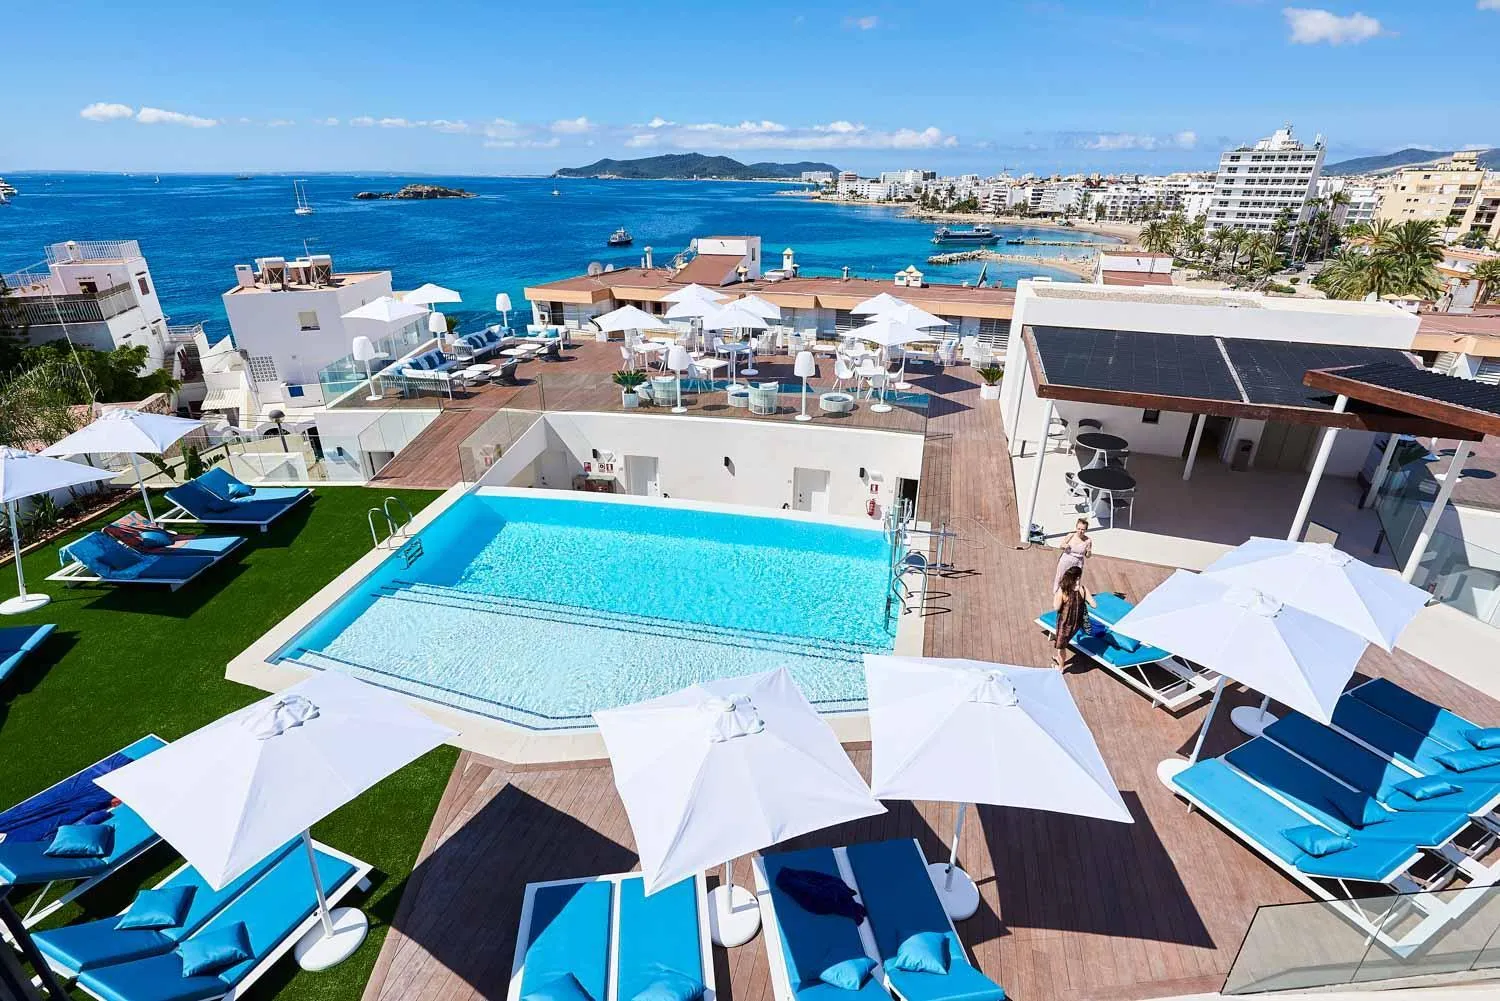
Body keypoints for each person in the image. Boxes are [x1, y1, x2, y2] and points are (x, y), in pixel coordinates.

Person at [1051, 564, 1096, 670]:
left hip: (1065, 623)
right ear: (1078, 577)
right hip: (1077, 623)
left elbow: (1056, 608)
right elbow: (1094, 605)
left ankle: (1060, 667)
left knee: (1061, 646)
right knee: (1063, 644)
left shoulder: (1063, 590)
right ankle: (1059, 658)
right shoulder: (1084, 589)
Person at [1054, 518, 1093, 591]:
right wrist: (1065, 545)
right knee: (1060, 576)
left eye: (1083, 529)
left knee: (1076, 580)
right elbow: (1061, 546)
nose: (1080, 531)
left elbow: (1087, 556)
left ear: (1086, 530)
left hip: (1078, 562)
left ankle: (1072, 595)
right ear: (1076, 528)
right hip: (1066, 559)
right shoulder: (1070, 536)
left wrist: (1089, 551)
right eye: (1079, 529)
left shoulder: (1088, 541)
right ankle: (1056, 592)